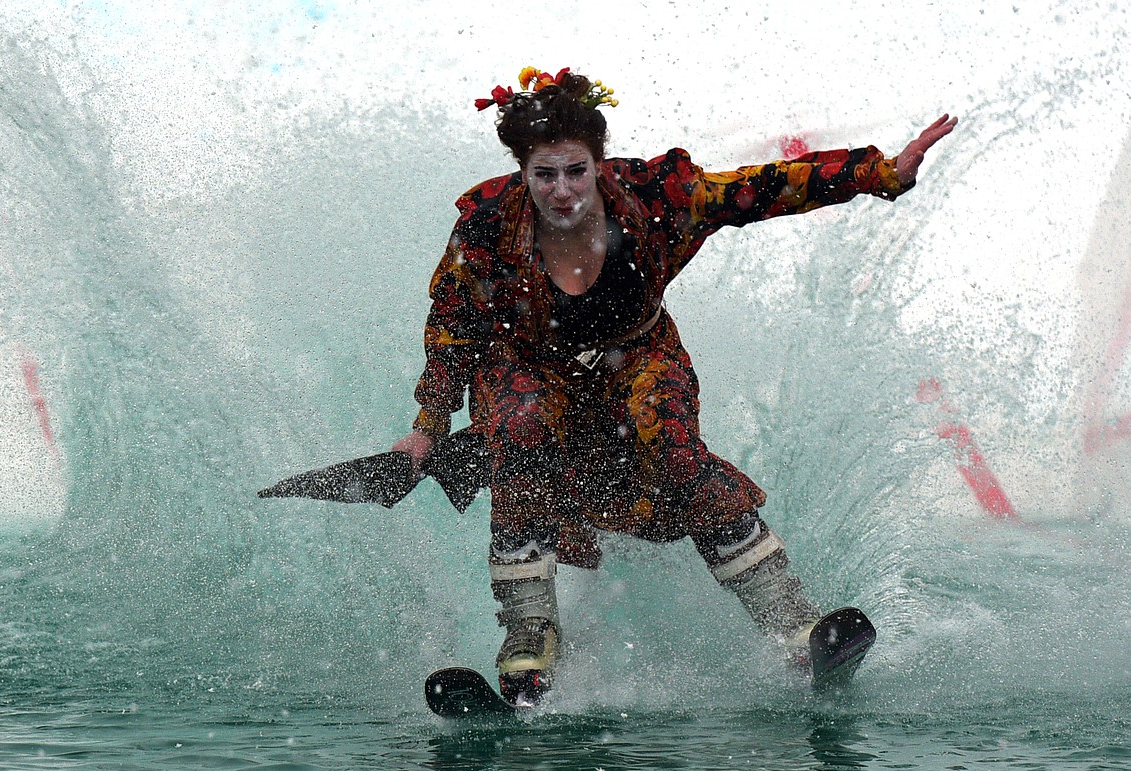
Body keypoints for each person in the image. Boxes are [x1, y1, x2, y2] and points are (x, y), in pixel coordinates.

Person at [392, 66, 956, 705]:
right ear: (523, 172)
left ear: (599, 164)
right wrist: (427, 429)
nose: (562, 191)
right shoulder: (488, 227)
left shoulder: (658, 195)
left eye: (575, 170)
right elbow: (451, 331)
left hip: (637, 356)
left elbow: (762, 188)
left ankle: (797, 634)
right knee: (518, 427)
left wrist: (881, 173)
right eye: (543, 175)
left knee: (677, 452)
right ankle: (528, 649)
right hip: (530, 369)